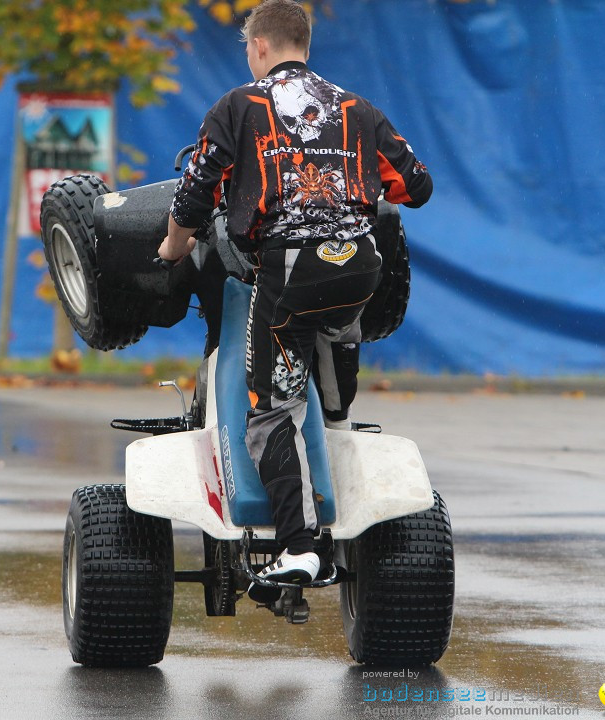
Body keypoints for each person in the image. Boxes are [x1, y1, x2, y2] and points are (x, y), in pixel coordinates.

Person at [158, 0, 432, 597]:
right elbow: (416, 185)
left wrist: (172, 251)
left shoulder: (240, 106)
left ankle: (302, 547)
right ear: (304, 45)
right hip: (359, 265)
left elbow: (194, 194)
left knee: (269, 410)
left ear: (257, 47)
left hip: (289, 271)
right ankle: (337, 417)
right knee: (330, 327)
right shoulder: (356, 108)